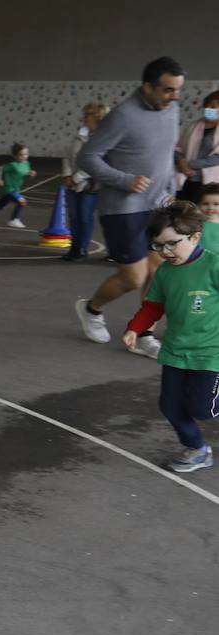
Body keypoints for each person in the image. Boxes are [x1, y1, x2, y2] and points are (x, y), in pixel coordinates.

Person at [75, 57, 186, 350]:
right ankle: (91, 310)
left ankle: (143, 333)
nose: (175, 97)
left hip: (158, 204)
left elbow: (164, 154)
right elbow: (86, 158)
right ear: (147, 86)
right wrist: (124, 180)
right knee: (134, 278)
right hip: (123, 209)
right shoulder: (122, 116)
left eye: (177, 90)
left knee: (158, 271)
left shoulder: (172, 109)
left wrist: (169, 190)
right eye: (167, 90)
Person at [122, 203, 219, 473]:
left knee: (203, 409)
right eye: (159, 246)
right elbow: (153, 306)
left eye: (172, 244)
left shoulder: (214, 265)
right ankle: (198, 449)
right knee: (170, 405)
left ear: (195, 237)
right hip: (176, 351)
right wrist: (135, 328)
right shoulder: (165, 272)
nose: (165, 252)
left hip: (212, 352)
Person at [60, 102, 109, 261]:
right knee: (73, 217)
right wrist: (67, 175)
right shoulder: (79, 135)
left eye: (88, 114)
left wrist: (76, 178)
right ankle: (74, 248)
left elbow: (96, 162)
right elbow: (67, 155)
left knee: (84, 217)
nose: (84, 117)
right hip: (72, 185)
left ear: (97, 117)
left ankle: (82, 248)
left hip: (91, 186)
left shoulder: (103, 138)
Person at [0, 143, 35, 230]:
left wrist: (30, 173)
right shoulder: (12, 165)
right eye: (21, 155)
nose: (24, 156)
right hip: (8, 189)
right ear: (15, 156)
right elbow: (0, 169)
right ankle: (14, 219)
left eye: (26, 154)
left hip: (16, 189)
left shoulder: (26, 163)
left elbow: (24, 172)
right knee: (22, 201)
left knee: (0, 206)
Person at [176, 89, 219, 204]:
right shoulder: (193, 126)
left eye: (215, 107)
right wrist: (181, 162)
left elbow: (217, 157)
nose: (210, 109)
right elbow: (178, 148)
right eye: (208, 105)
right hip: (185, 179)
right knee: (184, 212)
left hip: (209, 183)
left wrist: (190, 164)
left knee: (204, 214)